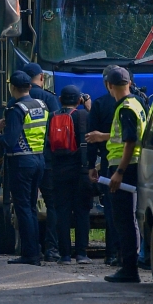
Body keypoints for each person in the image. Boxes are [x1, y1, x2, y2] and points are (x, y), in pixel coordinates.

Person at [86, 67, 146, 283]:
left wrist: (119, 172)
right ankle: (128, 266)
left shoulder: (125, 109)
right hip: (131, 166)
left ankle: (129, 269)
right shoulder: (136, 103)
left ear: (109, 86)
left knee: (124, 220)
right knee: (128, 218)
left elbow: (130, 141)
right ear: (129, 82)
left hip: (125, 168)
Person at [0, 70, 48, 265]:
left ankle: (30, 254)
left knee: (23, 208)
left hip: (21, 162)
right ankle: (35, 250)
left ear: (12, 88)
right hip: (38, 160)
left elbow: (9, 141)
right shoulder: (41, 105)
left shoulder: (16, 110)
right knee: (32, 207)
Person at [49, 85, 93, 264]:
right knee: (82, 212)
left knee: (63, 212)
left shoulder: (53, 116)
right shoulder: (83, 115)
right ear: (78, 100)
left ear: (60, 100)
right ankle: (81, 253)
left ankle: (65, 255)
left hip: (59, 171)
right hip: (81, 171)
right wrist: (88, 106)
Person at [21, 63, 61, 261]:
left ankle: (31, 248)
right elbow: (58, 128)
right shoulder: (50, 99)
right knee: (52, 204)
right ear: (41, 78)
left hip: (26, 159)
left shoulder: (19, 100)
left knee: (28, 205)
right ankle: (52, 248)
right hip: (48, 159)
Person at [87, 68, 120, 265]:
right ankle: (130, 253)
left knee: (111, 210)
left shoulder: (99, 104)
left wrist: (91, 165)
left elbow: (91, 138)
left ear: (107, 84)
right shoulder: (138, 102)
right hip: (135, 164)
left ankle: (112, 253)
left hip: (110, 163)